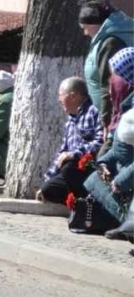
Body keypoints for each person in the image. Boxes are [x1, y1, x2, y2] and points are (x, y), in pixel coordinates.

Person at [85, 49, 134, 237]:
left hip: (128, 180)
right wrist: (104, 162)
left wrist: (121, 181)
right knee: (94, 176)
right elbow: (119, 147)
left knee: (93, 181)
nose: (112, 81)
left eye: (116, 76)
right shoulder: (127, 105)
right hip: (124, 173)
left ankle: (127, 221)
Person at [38, 77, 104, 205]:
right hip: (71, 172)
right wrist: (48, 179)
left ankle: (95, 202)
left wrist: (74, 154)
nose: (59, 99)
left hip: (90, 168)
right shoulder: (70, 120)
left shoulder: (94, 111)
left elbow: (100, 142)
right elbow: (62, 152)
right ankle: (82, 203)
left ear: (73, 96)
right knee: (48, 190)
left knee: (69, 166)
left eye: (60, 95)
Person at [81, 0, 132, 129]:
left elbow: (107, 85)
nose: (84, 33)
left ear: (92, 25)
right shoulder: (112, 37)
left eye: (84, 28)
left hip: (117, 118)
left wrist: (107, 123)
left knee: (110, 150)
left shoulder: (111, 43)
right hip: (119, 115)